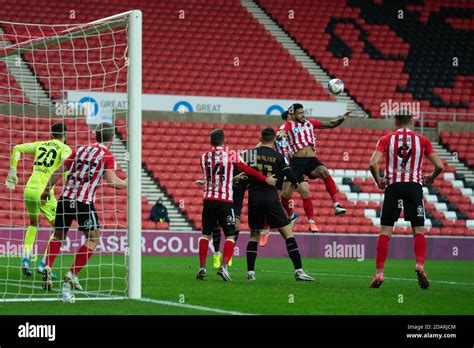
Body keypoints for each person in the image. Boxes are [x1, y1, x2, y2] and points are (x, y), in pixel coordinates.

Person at [40, 122, 127, 291]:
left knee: (58, 236)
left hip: (65, 200)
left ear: (96, 135)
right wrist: (127, 182)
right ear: (112, 138)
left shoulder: (80, 150)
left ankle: (48, 266)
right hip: (83, 203)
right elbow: (112, 182)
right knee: (93, 238)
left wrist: (46, 191)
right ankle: (72, 274)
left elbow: (58, 171)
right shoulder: (107, 156)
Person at [368, 112, 443, 289]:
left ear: (395, 121)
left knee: (386, 231)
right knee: (418, 230)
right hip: (413, 187)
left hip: (393, 186)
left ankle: (379, 273)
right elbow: (439, 165)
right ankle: (419, 265)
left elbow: (373, 163)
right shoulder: (422, 140)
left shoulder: (386, 139)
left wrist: (379, 180)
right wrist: (431, 177)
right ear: (412, 121)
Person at [197, 129, 276, 282]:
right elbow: (248, 170)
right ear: (223, 140)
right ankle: (224, 266)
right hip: (225, 201)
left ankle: (202, 267)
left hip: (208, 200)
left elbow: (214, 177)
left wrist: (205, 182)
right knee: (231, 234)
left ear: (210, 141)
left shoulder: (204, 157)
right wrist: (265, 179)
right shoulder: (231, 155)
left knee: (205, 234)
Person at [245, 127, 314, 282]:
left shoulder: (250, 154)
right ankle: (299, 271)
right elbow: (290, 174)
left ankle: (250, 273)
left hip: (254, 197)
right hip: (271, 198)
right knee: (287, 233)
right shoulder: (278, 156)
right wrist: (295, 183)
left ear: (260, 137)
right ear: (274, 139)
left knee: (254, 235)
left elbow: (239, 170)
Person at [5, 123, 71, 279]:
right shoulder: (64, 148)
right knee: (60, 228)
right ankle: (43, 264)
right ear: (65, 135)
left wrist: (13, 171)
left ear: (51, 134)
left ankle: (25, 260)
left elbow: (17, 149)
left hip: (29, 189)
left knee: (33, 223)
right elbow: (65, 166)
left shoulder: (40, 144)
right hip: (44, 193)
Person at [279, 104, 350, 232]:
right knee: (285, 195)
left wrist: (340, 119)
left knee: (325, 172)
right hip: (297, 162)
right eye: (299, 113)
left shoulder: (309, 123)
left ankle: (336, 205)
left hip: (311, 160)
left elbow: (329, 124)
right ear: (293, 115)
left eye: (303, 112)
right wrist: (280, 134)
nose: (303, 115)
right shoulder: (290, 125)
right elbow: (282, 130)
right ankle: (291, 216)